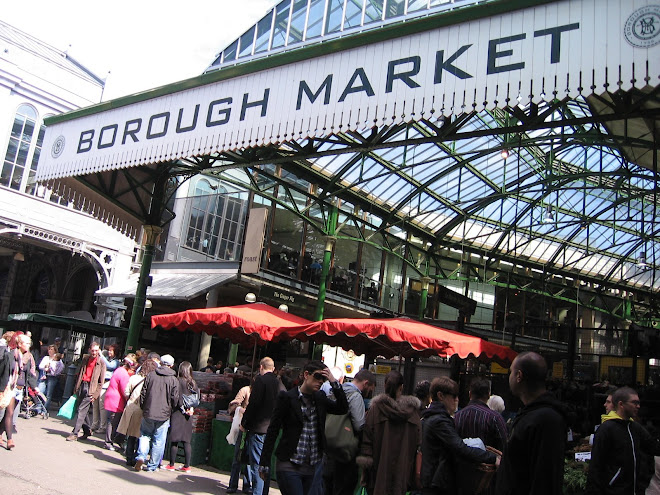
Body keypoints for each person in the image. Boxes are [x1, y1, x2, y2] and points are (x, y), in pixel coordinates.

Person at [258, 361, 348, 495]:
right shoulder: (287, 398)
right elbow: (273, 430)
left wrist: (334, 382)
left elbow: (342, 408)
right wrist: (264, 462)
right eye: (317, 377)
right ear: (306, 374)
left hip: (311, 466)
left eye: (323, 379)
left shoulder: (320, 398)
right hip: (289, 463)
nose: (320, 382)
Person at [495, 352, 567, 495]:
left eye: (511, 372)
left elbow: (545, 478)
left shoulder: (547, 419)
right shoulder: (532, 415)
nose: (509, 377)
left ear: (519, 376)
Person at [420, 377, 499, 495]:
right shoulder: (439, 421)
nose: (457, 400)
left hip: (434, 481)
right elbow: (460, 448)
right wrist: (492, 457)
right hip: (437, 484)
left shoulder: (433, 417)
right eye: (453, 396)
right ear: (441, 396)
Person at [357, 370, 421, 495]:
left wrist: (366, 473)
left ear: (385, 385)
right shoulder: (413, 414)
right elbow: (418, 443)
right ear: (401, 387)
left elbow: (367, 441)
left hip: (378, 471)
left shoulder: (375, 410)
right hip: (402, 471)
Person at [587, 386, 658, 495]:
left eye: (638, 403)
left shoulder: (636, 428)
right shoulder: (607, 429)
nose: (638, 406)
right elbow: (596, 465)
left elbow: (653, 447)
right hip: (614, 491)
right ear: (621, 404)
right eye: (634, 403)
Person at [324, 368, 376, 495]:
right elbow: (359, 425)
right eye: (370, 389)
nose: (369, 393)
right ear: (366, 384)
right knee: (343, 487)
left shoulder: (335, 391)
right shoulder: (355, 396)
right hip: (345, 450)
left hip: (328, 447)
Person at [241, 357, 281, 495]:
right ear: (273, 368)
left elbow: (253, 404)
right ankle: (264, 491)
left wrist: (244, 423)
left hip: (258, 428)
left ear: (261, 367)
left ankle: (257, 492)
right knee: (266, 463)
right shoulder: (278, 383)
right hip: (271, 429)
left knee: (257, 464)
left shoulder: (260, 380)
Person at [134, 354, 179, 472]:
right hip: (164, 414)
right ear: (172, 365)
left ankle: (141, 456)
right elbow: (175, 398)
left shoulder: (151, 375)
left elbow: (143, 393)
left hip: (149, 411)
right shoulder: (174, 380)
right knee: (159, 440)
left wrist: (144, 407)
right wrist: (171, 410)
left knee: (145, 435)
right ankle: (152, 465)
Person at [116, 358, 159, 467]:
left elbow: (126, 392)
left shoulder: (134, 377)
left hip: (131, 407)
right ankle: (137, 456)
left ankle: (129, 457)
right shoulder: (151, 381)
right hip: (143, 410)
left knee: (131, 434)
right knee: (141, 435)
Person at [455, 377, 508, 454]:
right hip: (489, 463)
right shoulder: (495, 418)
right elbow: (504, 446)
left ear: (470, 394)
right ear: (488, 395)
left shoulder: (457, 416)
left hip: (461, 464)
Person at [66, 341, 106, 442]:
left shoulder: (101, 363)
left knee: (81, 410)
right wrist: (76, 387)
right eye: (92, 350)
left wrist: (96, 394)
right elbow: (80, 373)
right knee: (84, 411)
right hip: (82, 385)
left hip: (91, 389)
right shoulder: (85, 359)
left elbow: (101, 382)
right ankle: (87, 430)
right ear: (89, 350)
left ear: (99, 351)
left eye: (96, 351)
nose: (94, 352)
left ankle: (74, 433)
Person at [164, 361, 199, 473]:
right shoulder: (193, 383)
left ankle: (171, 464)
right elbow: (197, 398)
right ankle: (187, 465)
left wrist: (181, 408)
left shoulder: (178, 381)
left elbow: (176, 397)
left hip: (178, 413)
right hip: (189, 414)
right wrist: (191, 408)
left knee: (175, 440)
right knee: (186, 441)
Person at [103, 354, 136, 450]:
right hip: (116, 401)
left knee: (111, 421)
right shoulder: (124, 374)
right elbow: (125, 390)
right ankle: (108, 442)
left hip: (111, 398)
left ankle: (111, 441)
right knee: (113, 422)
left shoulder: (118, 370)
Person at [227, 380, 252, 494]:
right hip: (243, 427)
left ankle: (247, 486)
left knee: (249, 459)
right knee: (238, 457)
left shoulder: (263, 392)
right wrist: (240, 409)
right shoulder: (245, 390)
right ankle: (233, 485)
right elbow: (235, 403)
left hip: (254, 429)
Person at [93, 344, 120, 433]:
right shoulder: (106, 358)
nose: (109, 352)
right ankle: (95, 423)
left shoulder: (116, 361)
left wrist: (101, 355)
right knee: (95, 404)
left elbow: (109, 366)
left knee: (102, 405)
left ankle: (103, 426)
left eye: (111, 350)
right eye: (109, 350)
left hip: (106, 384)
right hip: (99, 382)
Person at [0, 332, 19, 450]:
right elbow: (2, 371)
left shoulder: (24, 357)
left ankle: (9, 438)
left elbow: (28, 373)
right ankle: (9, 438)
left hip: (15, 388)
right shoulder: (7, 354)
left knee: (10, 413)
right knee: (3, 412)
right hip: (6, 386)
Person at [38, 345, 65, 412]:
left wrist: (54, 371)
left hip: (52, 377)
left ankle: (44, 409)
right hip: (44, 376)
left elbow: (61, 367)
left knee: (48, 394)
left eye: (51, 349)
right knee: (40, 391)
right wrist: (45, 368)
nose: (50, 351)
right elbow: (40, 366)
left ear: (55, 351)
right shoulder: (46, 358)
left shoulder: (58, 360)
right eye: (49, 349)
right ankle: (38, 408)